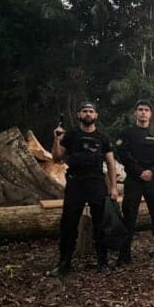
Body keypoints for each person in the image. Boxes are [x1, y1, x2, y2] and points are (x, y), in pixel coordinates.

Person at [50, 102, 119, 276]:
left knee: (101, 224)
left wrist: (113, 187)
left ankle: (102, 262)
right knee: (68, 224)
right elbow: (57, 158)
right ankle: (64, 263)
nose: (88, 114)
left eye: (91, 111)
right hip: (75, 184)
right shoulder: (71, 135)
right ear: (79, 115)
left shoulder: (103, 137)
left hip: (96, 184)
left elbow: (110, 163)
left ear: (96, 115)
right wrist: (57, 139)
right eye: (85, 111)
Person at [117, 100, 154, 264]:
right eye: (140, 109)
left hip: (152, 179)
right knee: (129, 216)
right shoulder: (127, 132)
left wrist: (152, 171)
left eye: (146, 110)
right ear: (135, 113)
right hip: (134, 179)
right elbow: (123, 154)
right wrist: (139, 171)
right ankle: (124, 256)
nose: (143, 112)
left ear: (150, 114)